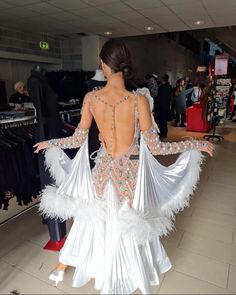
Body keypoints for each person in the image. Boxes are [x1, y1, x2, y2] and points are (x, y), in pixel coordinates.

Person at [34, 39, 214, 294]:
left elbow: (76, 140)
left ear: (104, 65)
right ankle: (127, 276)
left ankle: (61, 268)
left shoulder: (92, 98)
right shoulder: (139, 100)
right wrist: (192, 144)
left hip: (104, 171)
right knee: (127, 224)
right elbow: (156, 147)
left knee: (92, 222)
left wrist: (49, 142)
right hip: (130, 175)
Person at [155, 74, 172, 139]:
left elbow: (161, 98)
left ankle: (163, 134)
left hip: (162, 107)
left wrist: (157, 107)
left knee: (161, 121)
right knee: (164, 121)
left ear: (162, 79)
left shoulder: (162, 87)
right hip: (166, 106)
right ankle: (164, 133)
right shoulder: (169, 86)